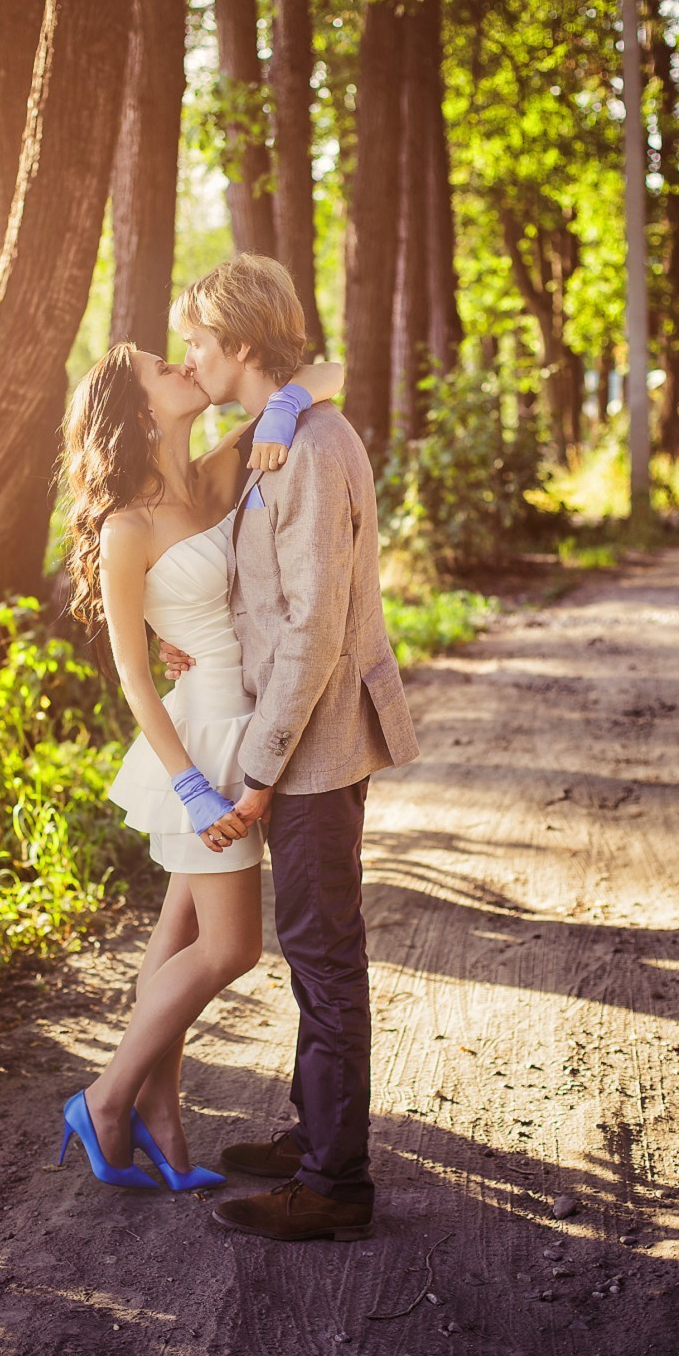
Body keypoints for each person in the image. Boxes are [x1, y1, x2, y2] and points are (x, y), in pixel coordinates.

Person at [164, 254, 420, 1243]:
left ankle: (333, 1184)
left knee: (322, 949)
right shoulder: (285, 431)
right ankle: (319, 1130)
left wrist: (260, 772)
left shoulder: (310, 448)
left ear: (238, 345)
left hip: (314, 746)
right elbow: (273, 589)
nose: (190, 357)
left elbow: (314, 629)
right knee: (314, 943)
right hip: (296, 732)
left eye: (197, 341)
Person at [56, 325, 343, 1193]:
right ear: (134, 407)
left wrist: (287, 403)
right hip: (201, 748)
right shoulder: (125, 527)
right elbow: (135, 678)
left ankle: (160, 1115)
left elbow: (334, 372)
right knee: (230, 947)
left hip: (242, 717)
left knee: (176, 937)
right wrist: (186, 785)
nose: (182, 364)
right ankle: (106, 1101)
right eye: (159, 365)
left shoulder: (213, 473)